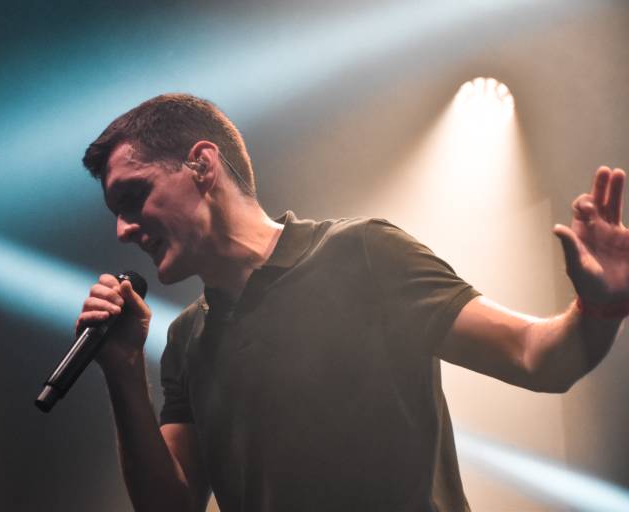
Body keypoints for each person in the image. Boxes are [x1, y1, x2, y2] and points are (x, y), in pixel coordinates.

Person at [75, 93, 627, 511]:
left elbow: (535, 357)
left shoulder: (362, 253)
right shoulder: (186, 339)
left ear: (202, 164)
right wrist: (123, 370)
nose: (123, 229)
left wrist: (598, 307)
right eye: (115, 213)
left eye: (134, 196)